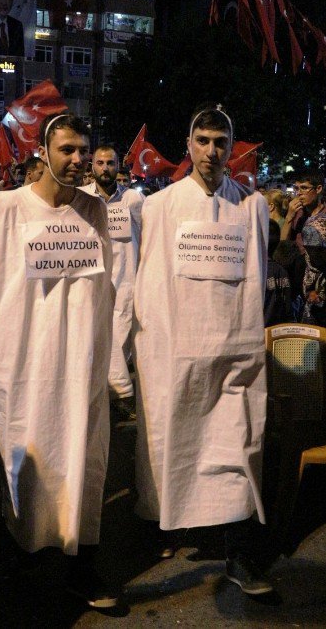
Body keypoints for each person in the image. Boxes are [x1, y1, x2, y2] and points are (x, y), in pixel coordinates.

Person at [0, 114, 118, 608]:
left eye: (84, 151)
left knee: (84, 459)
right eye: (67, 150)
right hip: (27, 363)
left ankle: (82, 567)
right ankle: (28, 565)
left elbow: (104, 293)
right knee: (30, 467)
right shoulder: (9, 207)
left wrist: (102, 362)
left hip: (80, 363)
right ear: (42, 151)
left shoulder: (96, 211)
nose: (78, 161)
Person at [134, 104, 273, 595]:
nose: (212, 151)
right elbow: (148, 280)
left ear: (231, 148)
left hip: (234, 350)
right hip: (180, 349)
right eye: (203, 141)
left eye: (221, 142)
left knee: (239, 448)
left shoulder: (250, 206)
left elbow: (257, 277)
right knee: (178, 444)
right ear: (188, 146)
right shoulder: (159, 206)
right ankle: (166, 530)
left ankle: (240, 555)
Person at [81, 145, 144, 420]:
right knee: (94, 337)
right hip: (92, 281)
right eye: (100, 163)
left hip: (126, 279)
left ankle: (119, 395)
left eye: (110, 163)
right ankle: (109, 395)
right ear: (91, 166)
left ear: (119, 166)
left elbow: (147, 236)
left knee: (119, 338)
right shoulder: (81, 198)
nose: (105, 168)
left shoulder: (133, 200)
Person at [280, 169, 324, 248]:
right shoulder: (297, 214)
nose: (299, 193)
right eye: (297, 188)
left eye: (304, 188)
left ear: (318, 189)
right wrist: (289, 217)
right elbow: (283, 247)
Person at [264, 219, 293, 326]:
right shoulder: (282, 271)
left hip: (256, 336)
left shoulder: (254, 272)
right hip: (278, 335)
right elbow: (287, 308)